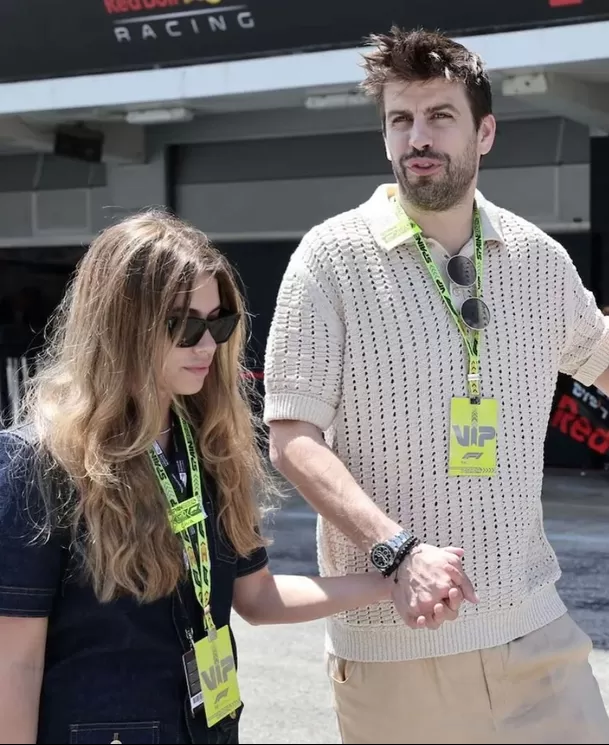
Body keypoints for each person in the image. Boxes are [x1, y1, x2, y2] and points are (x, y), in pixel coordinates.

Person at [262, 26, 609, 745]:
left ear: (483, 132)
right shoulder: (328, 260)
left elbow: (600, 356)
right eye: (400, 120)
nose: (417, 137)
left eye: (439, 117)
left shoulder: (536, 259)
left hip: (534, 630)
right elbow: (292, 437)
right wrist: (397, 548)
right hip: (397, 644)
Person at [0, 210, 397, 745]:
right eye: (186, 325)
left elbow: (258, 598)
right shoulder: (38, 462)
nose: (208, 345)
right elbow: (15, 661)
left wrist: (390, 583)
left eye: (220, 322)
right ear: (121, 325)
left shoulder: (209, 446)